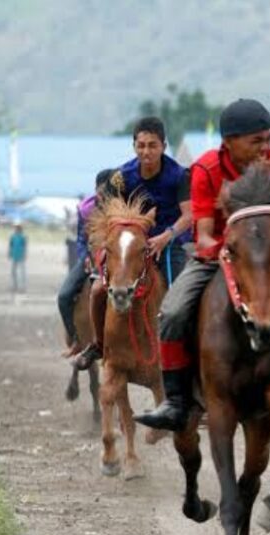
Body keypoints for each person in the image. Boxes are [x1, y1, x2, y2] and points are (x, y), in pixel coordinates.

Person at [133, 99, 270, 432]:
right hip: (218, 256)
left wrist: (267, 245)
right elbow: (205, 235)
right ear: (229, 142)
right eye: (257, 141)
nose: (266, 148)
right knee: (173, 313)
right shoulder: (206, 169)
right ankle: (177, 401)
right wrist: (234, 252)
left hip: (269, 256)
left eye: (268, 138)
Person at [72, 117, 193, 369]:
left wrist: (166, 236)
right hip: (127, 249)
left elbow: (189, 215)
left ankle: (190, 352)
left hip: (168, 247)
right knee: (96, 291)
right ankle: (98, 344)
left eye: (152, 145)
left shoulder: (179, 175)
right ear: (134, 146)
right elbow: (107, 214)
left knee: (186, 298)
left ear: (163, 146)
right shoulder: (120, 178)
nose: (146, 151)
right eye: (141, 145)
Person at [58, 169, 114, 356]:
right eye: (103, 189)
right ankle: (76, 340)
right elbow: (81, 239)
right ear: (96, 188)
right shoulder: (86, 209)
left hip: (116, 257)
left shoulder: (121, 207)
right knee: (64, 296)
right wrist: (87, 258)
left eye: (110, 190)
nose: (105, 194)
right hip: (91, 256)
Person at [8, 223, 27, 293]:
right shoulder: (12, 236)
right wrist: (10, 253)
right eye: (16, 228)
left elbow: (25, 246)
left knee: (22, 272)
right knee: (13, 272)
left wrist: (24, 254)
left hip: (21, 256)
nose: (16, 229)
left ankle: (22, 287)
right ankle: (14, 286)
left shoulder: (23, 237)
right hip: (14, 256)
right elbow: (11, 245)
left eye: (17, 228)